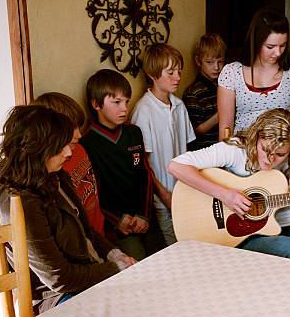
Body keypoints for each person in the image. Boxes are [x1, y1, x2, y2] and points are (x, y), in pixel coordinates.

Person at [168, 108, 290, 266]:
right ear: (256, 138)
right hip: (245, 227)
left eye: (280, 155)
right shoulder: (236, 149)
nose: (269, 160)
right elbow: (175, 165)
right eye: (264, 150)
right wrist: (225, 195)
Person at [0, 105, 136, 313]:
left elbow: (86, 230)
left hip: (88, 275)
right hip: (57, 298)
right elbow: (59, 279)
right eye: (61, 146)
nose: (70, 152)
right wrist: (115, 269)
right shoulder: (19, 203)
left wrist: (114, 254)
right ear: (38, 148)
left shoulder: (55, 176)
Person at [80, 69, 166, 260]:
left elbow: (144, 176)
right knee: (137, 265)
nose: (125, 108)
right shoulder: (86, 144)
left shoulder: (133, 133)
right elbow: (92, 193)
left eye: (126, 101)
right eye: (116, 102)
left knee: (164, 258)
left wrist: (144, 215)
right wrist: (117, 219)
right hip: (117, 225)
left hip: (144, 218)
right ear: (96, 104)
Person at [217, 6, 290, 144]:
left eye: (283, 45)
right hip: (242, 155)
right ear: (256, 42)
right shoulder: (231, 73)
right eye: (270, 47)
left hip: (286, 153)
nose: (278, 52)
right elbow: (225, 129)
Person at [131, 43, 196, 245]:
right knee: (174, 244)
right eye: (170, 73)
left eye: (179, 71)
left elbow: (188, 150)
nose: (177, 77)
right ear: (152, 74)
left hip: (184, 189)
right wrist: (164, 195)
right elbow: (144, 162)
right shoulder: (144, 111)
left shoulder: (179, 106)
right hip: (162, 195)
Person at [31, 92, 106, 236]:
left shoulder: (80, 149)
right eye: (73, 128)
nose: (79, 135)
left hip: (99, 235)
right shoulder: (55, 165)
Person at [182, 33, 227, 151]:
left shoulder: (224, 86)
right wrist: (221, 115)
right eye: (210, 62)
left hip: (224, 149)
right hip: (204, 152)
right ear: (198, 61)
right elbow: (193, 131)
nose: (216, 67)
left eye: (220, 61)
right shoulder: (193, 93)